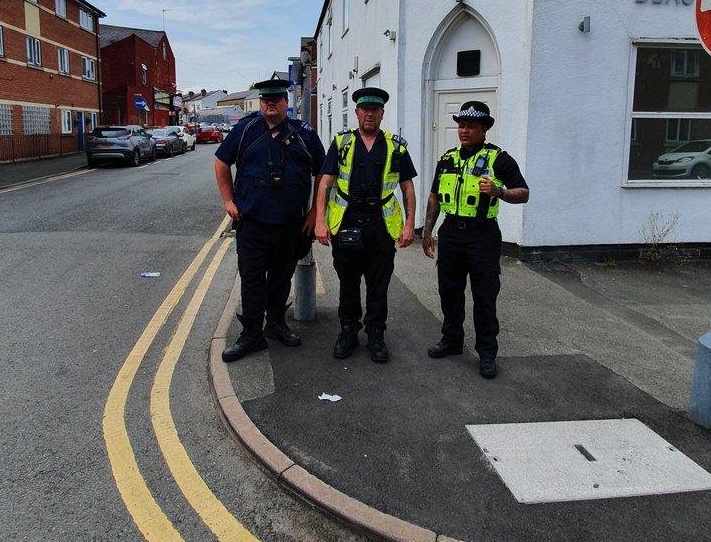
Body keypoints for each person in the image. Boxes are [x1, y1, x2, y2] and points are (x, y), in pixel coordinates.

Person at [214, 78, 326, 362]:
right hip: (252, 223)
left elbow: (324, 173)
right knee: (252, 279)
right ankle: (252, 334)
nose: (270, 104)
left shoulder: (304, 133)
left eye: (276, 99)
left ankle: (276, 323)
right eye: (265, 100)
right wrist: (228, 200)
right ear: (261, 102)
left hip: (291, 224)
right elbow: (221, 162)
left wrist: (316, 212)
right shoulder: (246, 129)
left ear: (286, 103)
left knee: (281, 277)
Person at [421, 101, 529, 378]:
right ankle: (452, 339)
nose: (464, 131)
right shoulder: (447, 159)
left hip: (483, 235)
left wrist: (499, 191)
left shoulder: (499, 159)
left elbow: (523, 192)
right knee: (449, 291)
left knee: (484, 296)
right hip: (451, 233)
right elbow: (434, 197)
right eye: (461, 125)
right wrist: (428, 231)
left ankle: (487, 353)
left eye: (471, 126)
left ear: (484, 129)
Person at [315, 87, 416, 363]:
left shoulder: (396, 146)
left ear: (382, 113)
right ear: (357, 112)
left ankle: (375, 333)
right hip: (347, 221)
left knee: (378, 284)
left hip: (380, 226)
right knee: (348, 282)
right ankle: (348, 331)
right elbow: (324, 183)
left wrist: (410, 225)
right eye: (364, 109)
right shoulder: (342, 143)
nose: (369, 113)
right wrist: (320, 221)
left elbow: (407, 188)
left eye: (375, 109)